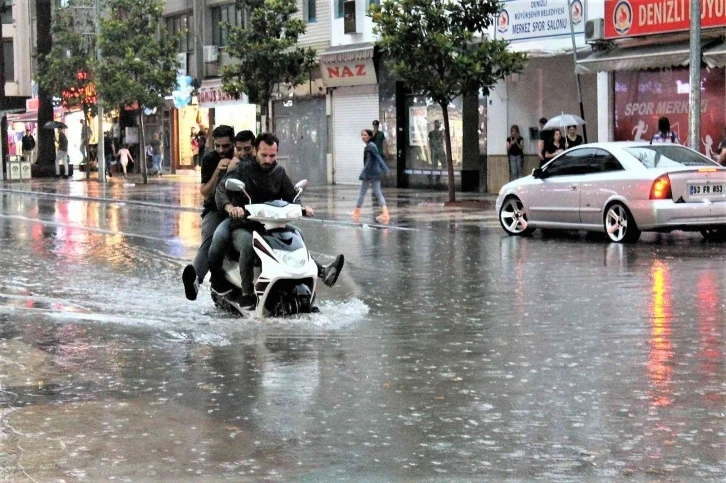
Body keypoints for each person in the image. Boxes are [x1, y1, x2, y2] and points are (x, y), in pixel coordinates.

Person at [212, 132, 345, 309]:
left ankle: (318, 274)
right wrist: (231, 208)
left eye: (272, 155)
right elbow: (221, 190)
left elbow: (292, 195)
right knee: (247, 243)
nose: (268, 160)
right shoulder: (242, 169)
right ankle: (247, 294)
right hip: (245, 225)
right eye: (264, 155)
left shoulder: (279, 172)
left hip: (271, 225)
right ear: (256, 152)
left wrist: (302, 207)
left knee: (298, 234)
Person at [181, 125, 239, 301]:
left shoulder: (242, 158)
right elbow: (205, 191)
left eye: (226, 146)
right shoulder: (209, 160)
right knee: (210, 240)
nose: (221, 150)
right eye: (218, 146)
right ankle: (195, 282)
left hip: (241, 209)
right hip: (215, 209)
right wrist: (218, 172)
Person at [350, 129, 391, 224]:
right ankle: (385, 214)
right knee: (378, 192)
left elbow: (378, 157)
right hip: (375, 173)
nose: (363, 137)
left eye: (365, 135)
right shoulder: (371, 146)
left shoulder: (370, 146)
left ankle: (356, 212)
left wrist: (386, 169)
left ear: (370, 136)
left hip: (369, 173)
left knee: (362, 193)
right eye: (362, 135)